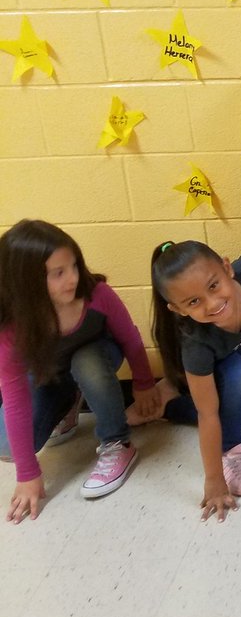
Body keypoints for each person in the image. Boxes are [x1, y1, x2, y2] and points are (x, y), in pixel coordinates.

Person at [0, 220, 160, 523]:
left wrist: (143, 383)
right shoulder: (11, 326)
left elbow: (131, 339)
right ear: (26, 281)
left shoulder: (96, 294)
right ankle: (69, 403)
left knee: (85, 361)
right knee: (6, 445)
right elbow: (14, 395)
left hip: (96, 359)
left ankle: (117, 443)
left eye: (73, 266)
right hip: (50, 372)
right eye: (58, 273)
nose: (72, 278)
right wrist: (27, 472)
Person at [150, 241, 241, 522]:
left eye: (213, 286)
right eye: (193, 302)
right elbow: (208, 415)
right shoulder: (196, 342)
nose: (213, 304)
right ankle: (232, 452)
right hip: (217, 367)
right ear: (177, 309)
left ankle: (170, 402)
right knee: (236, 379)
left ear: (227, 268)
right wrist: (214, 480)